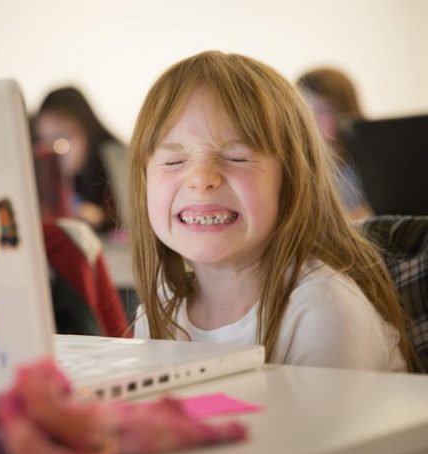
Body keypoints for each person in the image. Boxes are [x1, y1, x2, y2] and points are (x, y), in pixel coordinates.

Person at [129, 51, 418, 372]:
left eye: (237, 157)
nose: (200, 179)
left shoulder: (322, 310)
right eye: (173, 161)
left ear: (292, 179)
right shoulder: (161, 307)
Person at [33, 86, 127, 233]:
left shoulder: (120, 164)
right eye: (45, 140)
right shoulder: (43, 173)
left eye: (63, 136)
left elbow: (134, 224)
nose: (54, 149)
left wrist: (102, 219)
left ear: (87, 131)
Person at [296, 67, 372, 221]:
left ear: (347, 115)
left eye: (323, 111)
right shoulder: (298, 167)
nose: (312, 121)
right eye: (305, 112)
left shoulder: (370, 164)